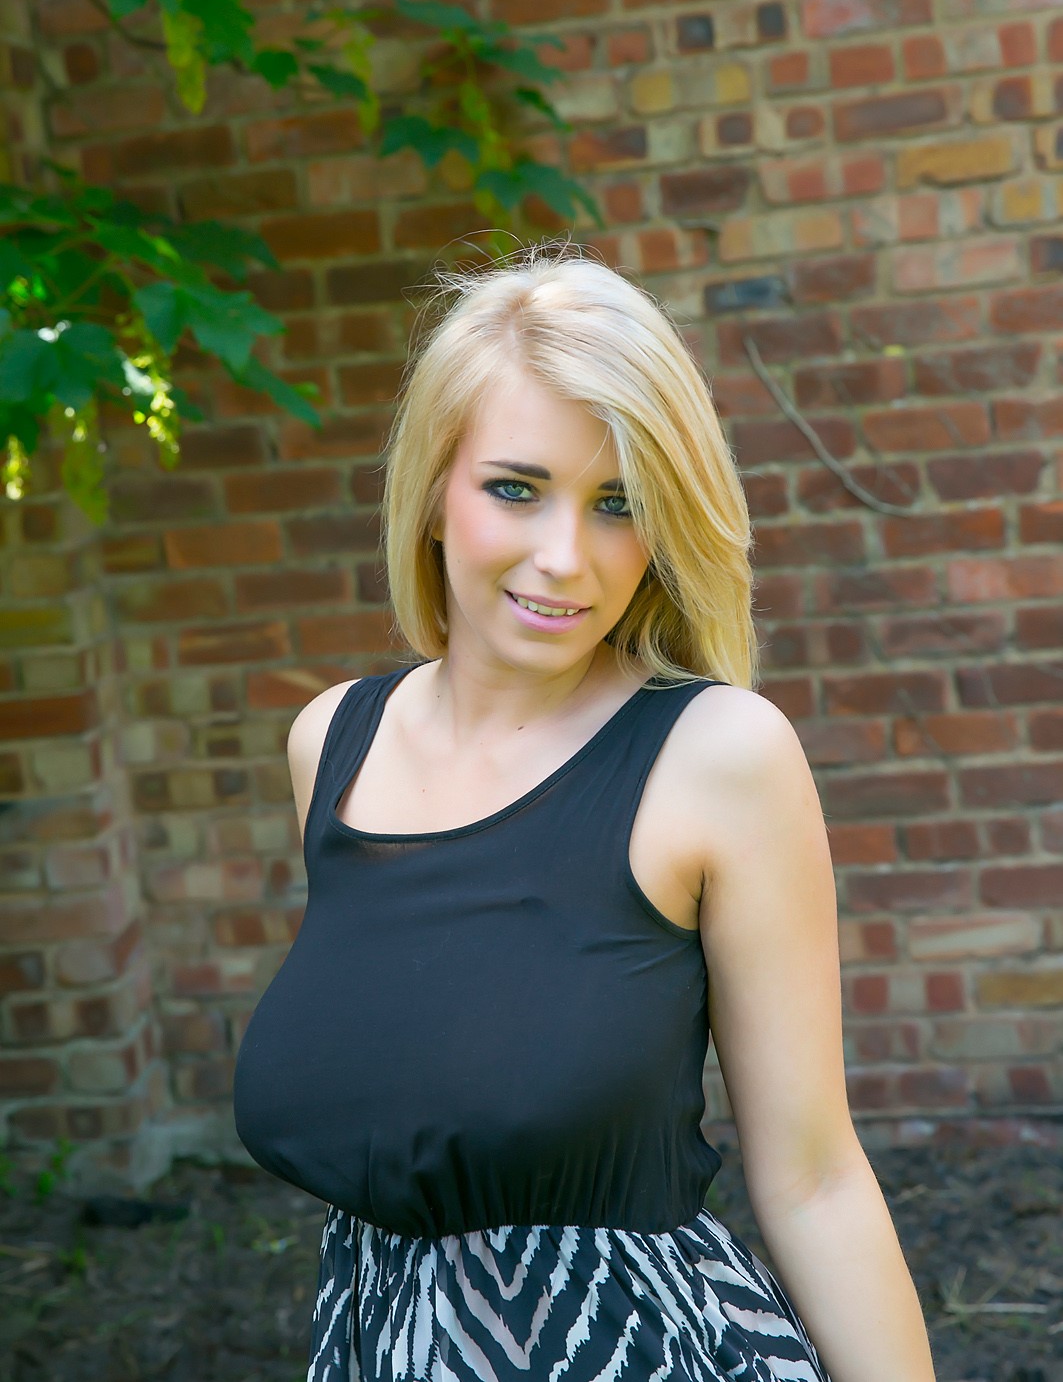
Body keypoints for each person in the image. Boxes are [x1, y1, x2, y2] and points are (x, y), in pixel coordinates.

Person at [233, 244, 937, 1382]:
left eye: (618, 505)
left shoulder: (716, 757)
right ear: (433, 493)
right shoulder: (333, 745)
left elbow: (813, 1176)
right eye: (515, 488)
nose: (564, 559)